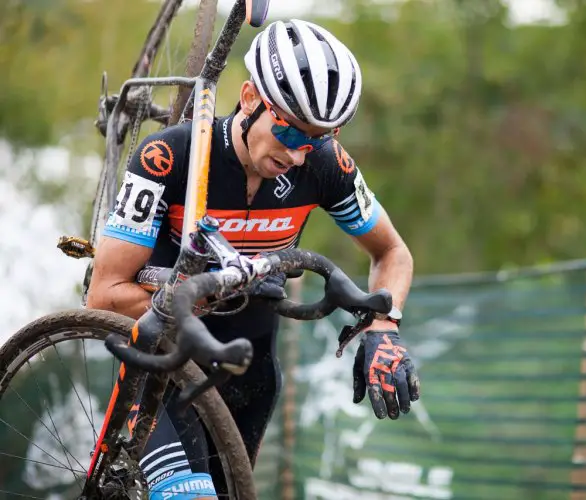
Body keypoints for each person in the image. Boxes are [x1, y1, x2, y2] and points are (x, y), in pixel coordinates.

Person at [86, 18, 421, 499]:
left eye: (316, 139)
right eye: (290, 133)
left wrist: (384, 326)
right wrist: (216, 293)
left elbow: (392, 251)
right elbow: (104, 296)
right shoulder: (169, 156)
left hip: (249, 373)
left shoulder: (327, 165)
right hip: (162, 366)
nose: (300, 155)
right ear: (248, 99)